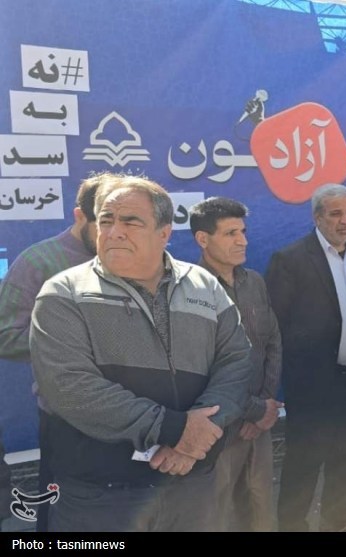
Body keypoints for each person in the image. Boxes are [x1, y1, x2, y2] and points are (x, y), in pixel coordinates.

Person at [29, 175, 252, 531]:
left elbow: (236, 362)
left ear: (164, 233)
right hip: (101, 498)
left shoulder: (204, 286)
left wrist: (197, 434)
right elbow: (69, 386)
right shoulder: (63, 293)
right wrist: (174, 429)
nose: (114, 232)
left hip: (193, 486)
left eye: (130, 222)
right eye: (106, 221)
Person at [266, 184, 346, 533]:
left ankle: (337, 521)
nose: (345, 221)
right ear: (317, 217)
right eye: (335, 214)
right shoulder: (290, 260)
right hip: (311, 387)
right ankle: (292, 526)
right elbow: (274, 329)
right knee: (304, 464)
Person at [0, 173, 102, 532]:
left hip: (136, 418)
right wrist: (73, 341)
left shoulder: (139, 259)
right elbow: (6, 337)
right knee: (63, 519)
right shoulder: (39, 262)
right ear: (80, 216)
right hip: (67, 418)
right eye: (104, 223)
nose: (116, 234)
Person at [190, 197, 282, 531]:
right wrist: (252, 410)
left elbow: (272, 342)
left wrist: (265, 406)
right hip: (218, 429)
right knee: (219, 513)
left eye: (243, 231)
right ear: (203, 239)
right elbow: (201, 369)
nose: (242, 240)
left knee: (261, 507)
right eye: (231, 233)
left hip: (259, 424)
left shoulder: (254, 281)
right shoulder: (188, 289)